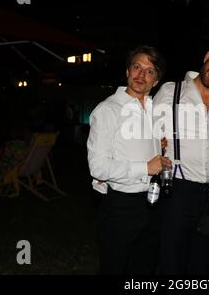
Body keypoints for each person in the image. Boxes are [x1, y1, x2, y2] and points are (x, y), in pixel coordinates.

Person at [153, 39, 209, 274]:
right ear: (207, 57)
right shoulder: (170, 91)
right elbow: (147, 136)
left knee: (203, 266)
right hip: (176, 193)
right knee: (172, 264)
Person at [87, 45, 172, 274]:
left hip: (153, 203)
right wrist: (145, 167)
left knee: (144, 268)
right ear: (127, 71)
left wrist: (160, 149)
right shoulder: (108, 110)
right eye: (137, 67)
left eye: (150, 71)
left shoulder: (155, 111)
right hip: (121, 207)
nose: (141, 75)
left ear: (156, 82)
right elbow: (98, 168)